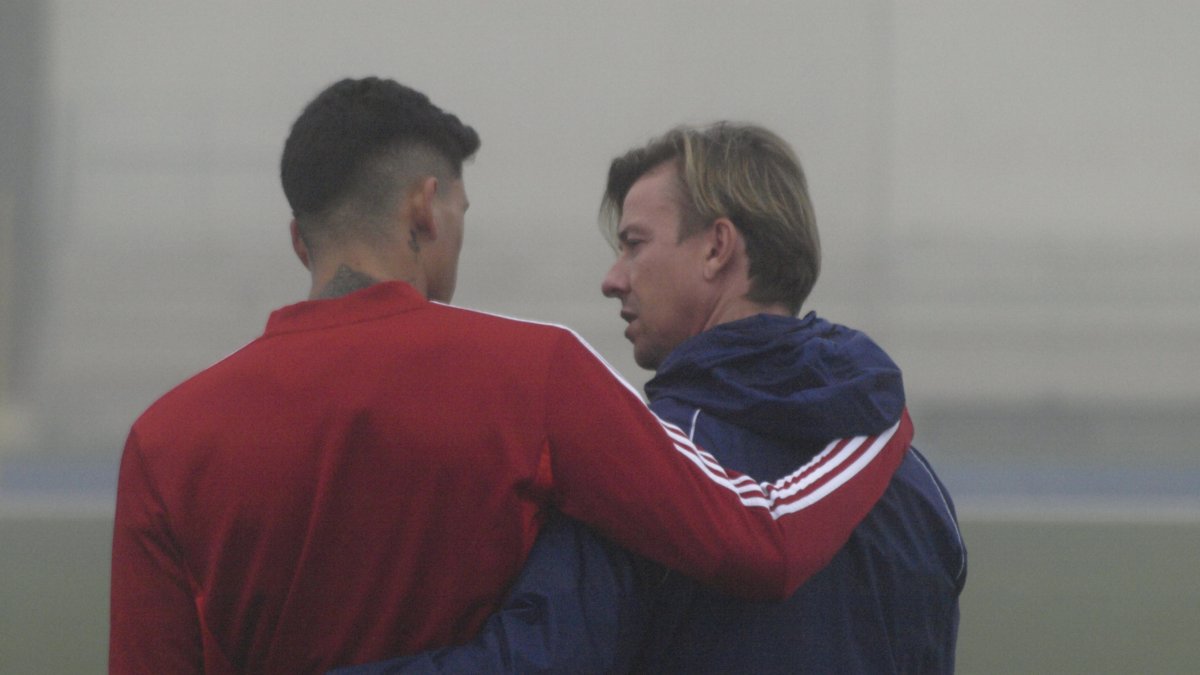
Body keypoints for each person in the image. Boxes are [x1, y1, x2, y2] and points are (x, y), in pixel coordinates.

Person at [108, 80, 914, 674]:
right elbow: (758, 546)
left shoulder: (164, 439)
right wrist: (880, 423)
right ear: (427, 208)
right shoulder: (539, 375)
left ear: (298, 239)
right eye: (462, 214)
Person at [339, 122, 966, 673]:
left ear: (718, 248)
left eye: (634, 243)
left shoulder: (641, 464)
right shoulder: (912, 478)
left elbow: (536, 661)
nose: (612, 279)